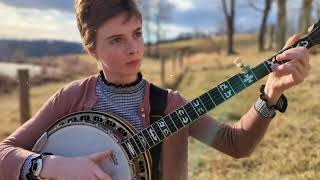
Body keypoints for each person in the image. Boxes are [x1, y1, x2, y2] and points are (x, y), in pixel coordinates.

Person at [0, 0, 311, 180]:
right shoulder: (71, 98)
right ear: (92, 49)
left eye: (137, 34)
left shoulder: (170, 105)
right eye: (117, 39)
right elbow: (4, 153)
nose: (134, 48)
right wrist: (56, 165)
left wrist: (270, 93)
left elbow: (237, 144)